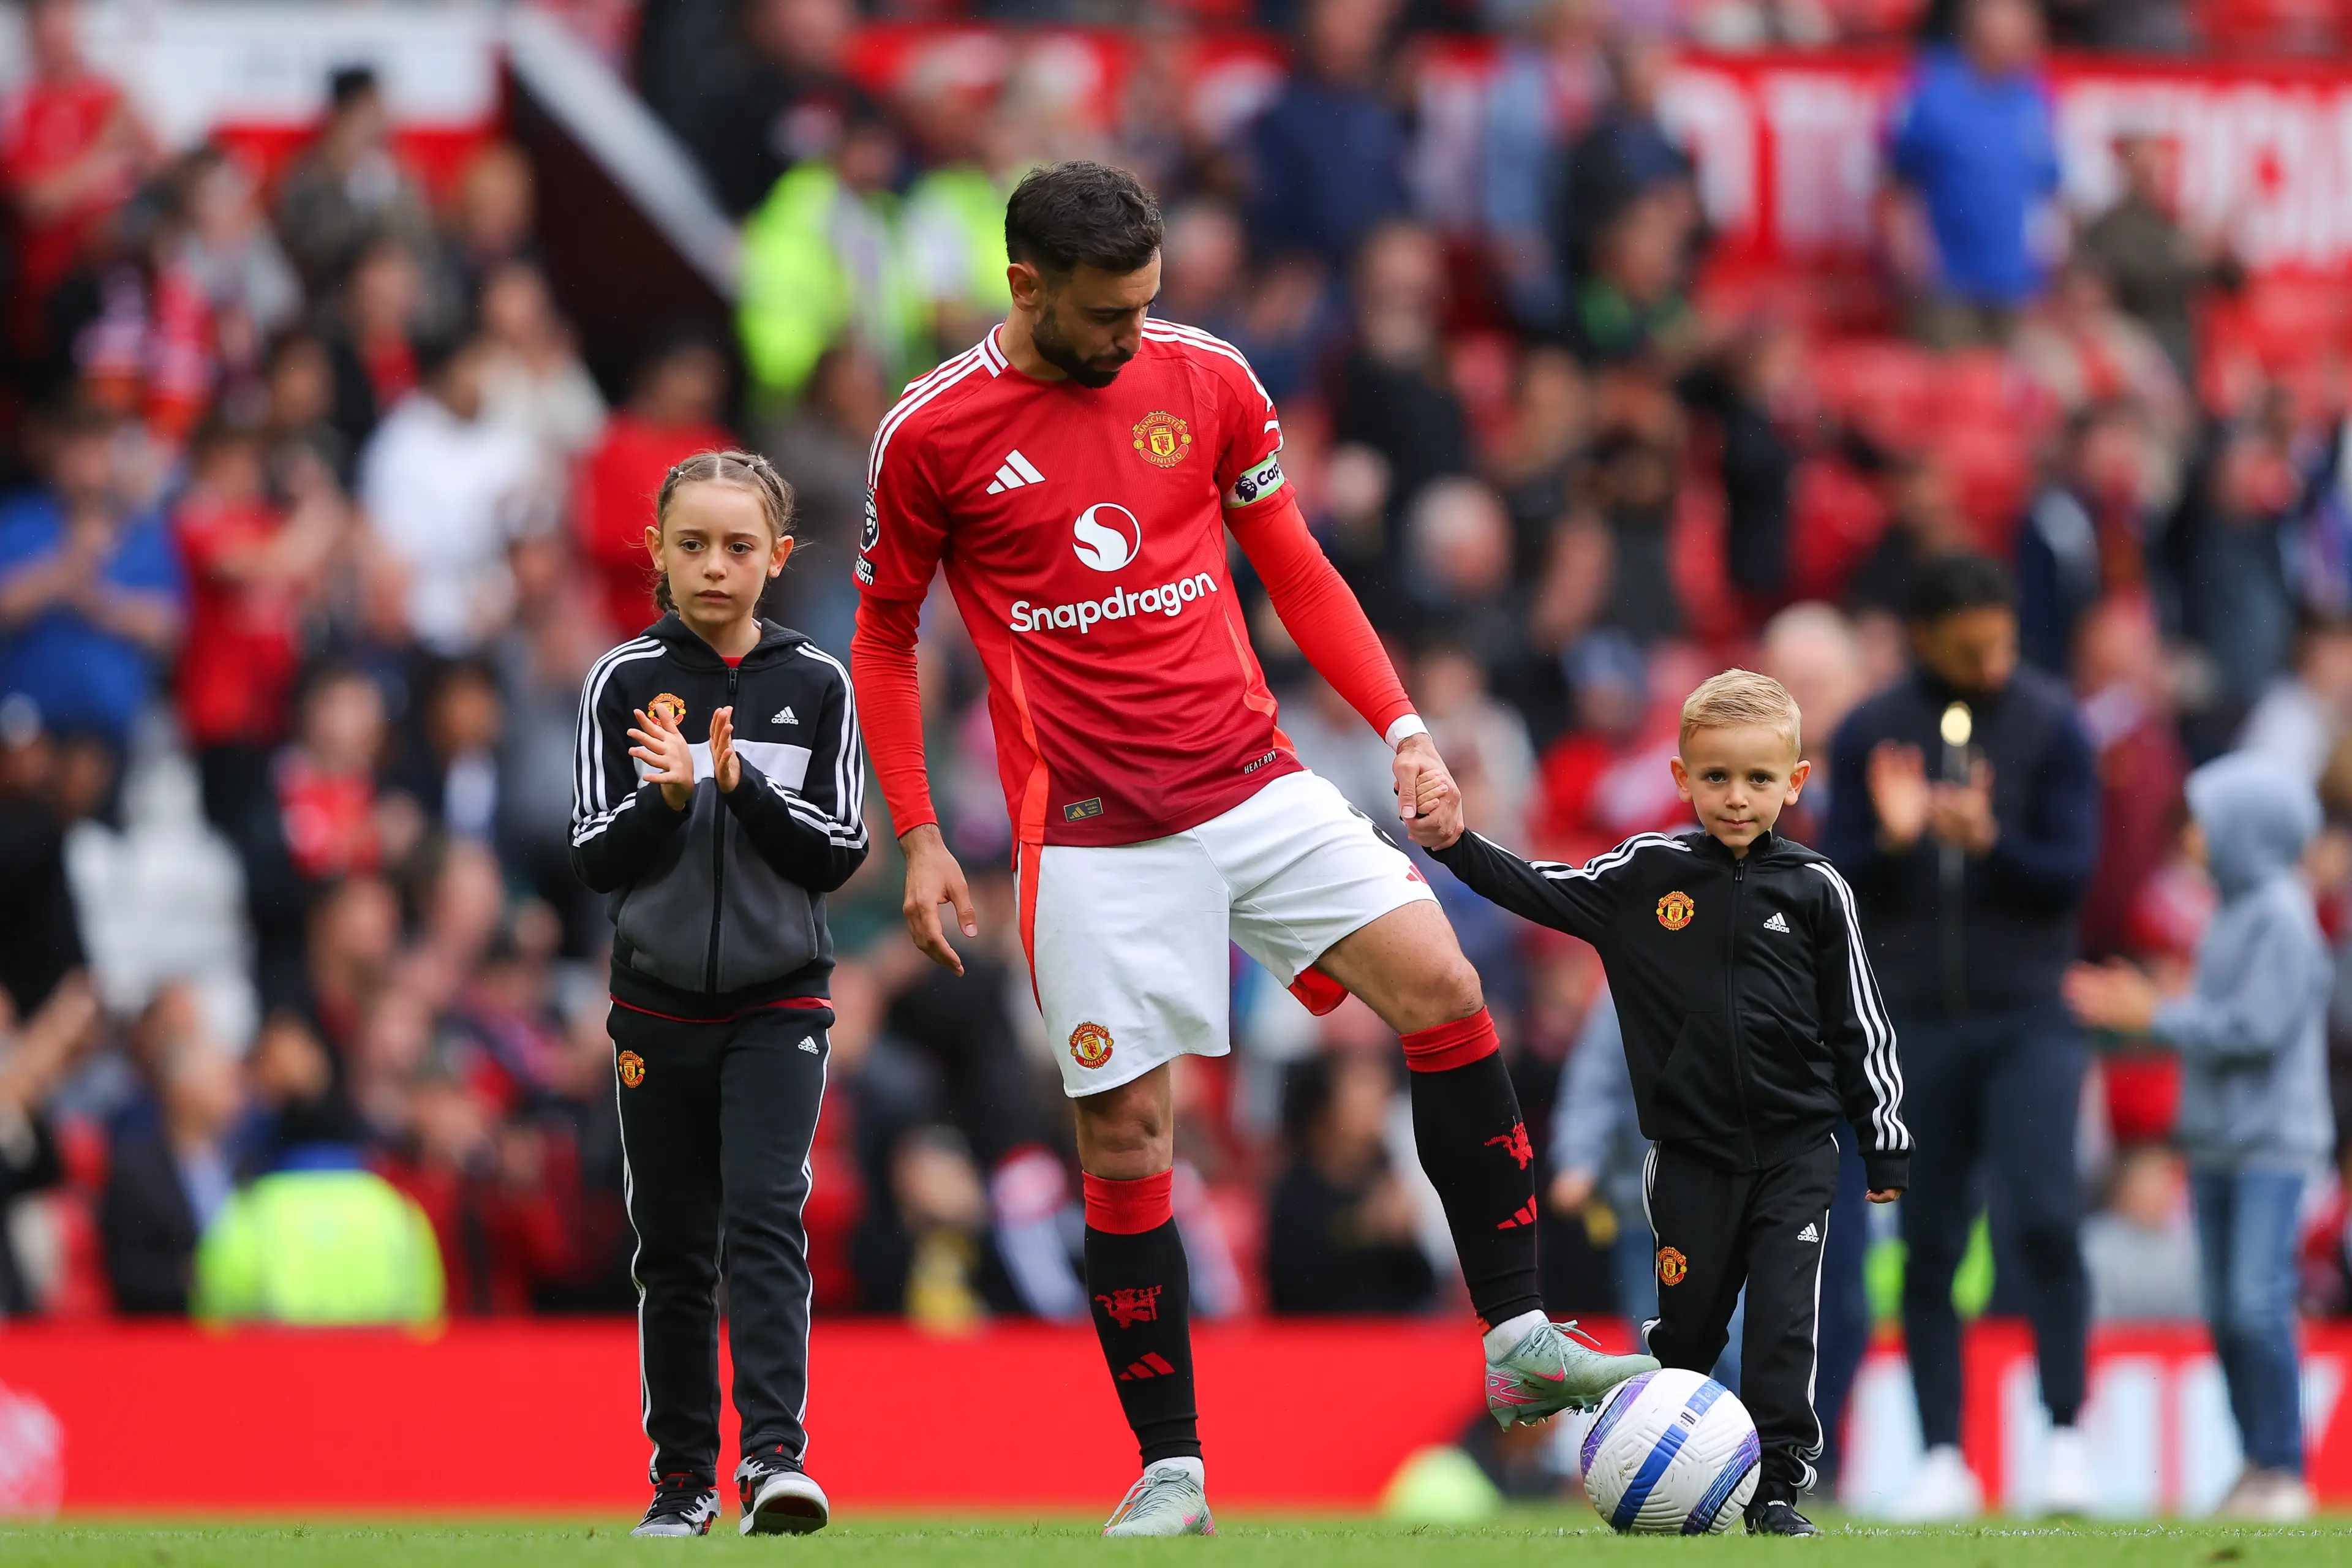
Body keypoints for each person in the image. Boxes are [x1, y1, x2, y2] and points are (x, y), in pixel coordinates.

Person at [851, 162, 1655, 1537]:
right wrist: (920, 832)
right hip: (1095, 830)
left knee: (1450, 992)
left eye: (1149, 305)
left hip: (1255, 781)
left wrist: (1400, 721)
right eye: (1107, 314)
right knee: (1127, 1135)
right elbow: (883, 635)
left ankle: (1518, 1332)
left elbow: (1292, 562)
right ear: (1026, 286)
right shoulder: (933, 435)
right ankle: (1173, 1464)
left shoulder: (1207, 379)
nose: (1130, 337)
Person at [1410, 669, 1910, 1536]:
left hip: (1797, 1154)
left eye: (1760, 779)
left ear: (1795, 782)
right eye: (1716, 777)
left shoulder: (1819, 890)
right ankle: (1648, 1476)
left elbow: (1860, 1018)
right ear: (1682, 779)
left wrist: (1885, 1137)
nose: (1737, 797)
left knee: (1786, 1326)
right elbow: (1543, 888)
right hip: (1688, 1159)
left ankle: (1780, 1491)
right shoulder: (1647, 874)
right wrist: (1456, 846)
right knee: (1686, 1337)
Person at [570, 451, 867, 1539]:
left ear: (778, 559)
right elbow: (597, 856)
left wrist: (739, 793)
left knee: (764, 1215)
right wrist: (667, 802)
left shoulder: (816, 685)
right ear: (655, 550)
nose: (713, 566)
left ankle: (775, 1462)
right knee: (674, 1243)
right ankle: (681, 1483)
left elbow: (839, 853)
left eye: (739, 546)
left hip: (777, 1002)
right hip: (654, 1005)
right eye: (691, 544)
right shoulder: (620, 681)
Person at [1819, 551, 2100, 1521]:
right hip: (1914, 1029)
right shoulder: (1868, 732)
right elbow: (1830, 881)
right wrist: (1894, 840)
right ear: (1927, 635)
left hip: (2028, 1020)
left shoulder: (2052, 725)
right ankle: (1945, 1455)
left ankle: (2065, 1439)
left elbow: (2073, 872)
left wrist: (1994, 846)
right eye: (1974, 647)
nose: (1994, 663)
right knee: (1930, 1241)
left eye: (2004, 644)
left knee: (2047, 1221)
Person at [2066, 753, 2334, 1521]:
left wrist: (2154, 1013)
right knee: (2224, 1308)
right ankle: (2257, 1463)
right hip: (2221, 1141)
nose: (2194, 838)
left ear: (2246, 830)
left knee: (2256, 1303)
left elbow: (2253, 1030)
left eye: (2208, 824)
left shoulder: (2281, 914)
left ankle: (2283, 1468)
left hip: (2271, 1146)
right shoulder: (2238, 909)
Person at [1885, 0, 2060, 346]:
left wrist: (2048, 270)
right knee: (1956, 389)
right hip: (1947, 286)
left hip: (2017, 286)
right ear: (1978, 31)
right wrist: (1907, 260)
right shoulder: (1930, 91)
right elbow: (1893, 185)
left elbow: (2050, 188)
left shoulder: (2033, 97)